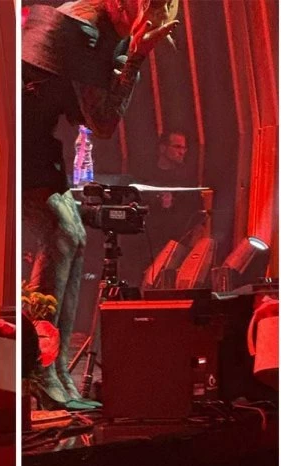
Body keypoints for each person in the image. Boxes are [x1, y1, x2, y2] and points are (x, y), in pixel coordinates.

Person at [21, 0, 179, 410]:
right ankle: (40, 372)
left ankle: (55, 370)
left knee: (73, 235)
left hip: (38, 139)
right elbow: (104, 122)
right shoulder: (83, 31)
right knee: (62, 234)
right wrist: (137, 58)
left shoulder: (100, 31)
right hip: (20, 138)